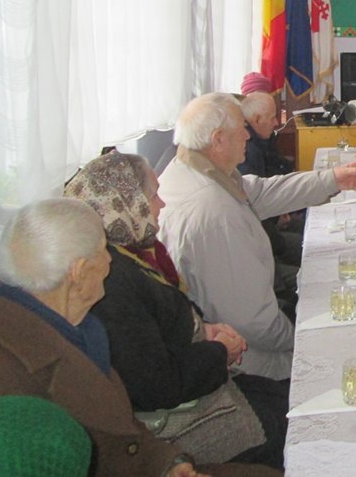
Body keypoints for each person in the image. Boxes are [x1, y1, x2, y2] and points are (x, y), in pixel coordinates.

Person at [0, 198, 279, 477]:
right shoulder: (1, 373)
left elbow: (121, 427)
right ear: (80, 273)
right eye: (103, 250)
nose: (111, 261)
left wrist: (167, 464)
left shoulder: (69, 324)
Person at [65, 151, 289, 469]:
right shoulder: (109, 281)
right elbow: (156, 384)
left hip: (194, 384)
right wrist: (218, 352)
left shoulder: (134, 252)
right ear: (126, 204)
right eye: (153, 196)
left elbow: (169, 318)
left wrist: (206, 328)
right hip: (172, 424)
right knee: (291, 420)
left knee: (287, 396)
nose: (162, 204)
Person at [158, 92, 356, 381]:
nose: (247, 135)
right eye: (241, 128)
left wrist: (333, 179)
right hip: (243, 360)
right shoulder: (213, 211)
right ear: (218, 139)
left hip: (244, 332)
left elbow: (263, 192)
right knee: (346, 353)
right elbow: (252, 321)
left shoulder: (195, 167)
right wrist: (301, 337)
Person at [239, 91, 303, 304]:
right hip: (266, 241)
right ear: (257, 120)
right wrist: (277, 215)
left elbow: (277, 170)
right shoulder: (247, 151)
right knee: (311, 249)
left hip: (272, 225)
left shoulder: (262, 140)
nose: (277, 123)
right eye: (272, 117)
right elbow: (254, 205)